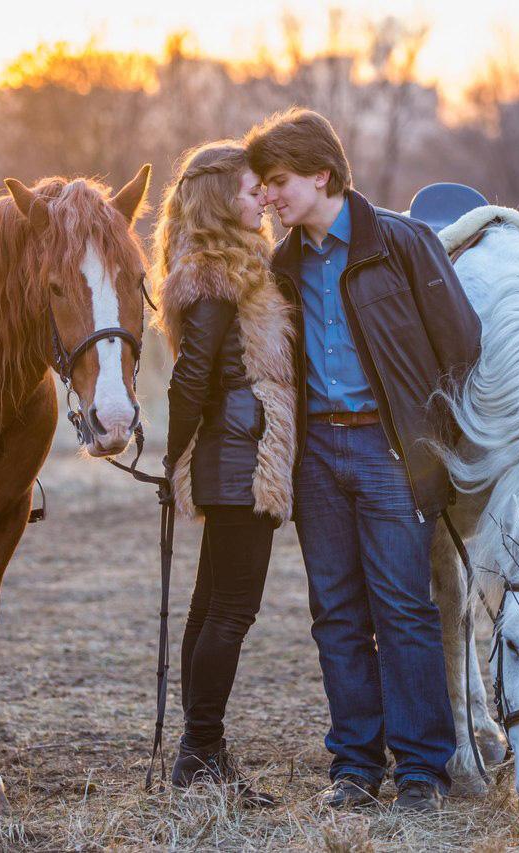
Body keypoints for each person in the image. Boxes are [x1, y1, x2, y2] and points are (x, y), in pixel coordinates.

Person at [244, 108, 482, 813]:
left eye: (278, 181)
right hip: (317, 454)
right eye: (261, 185)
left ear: (323, 175)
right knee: (337, 613)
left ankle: (421, 774)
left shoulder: (402, 244)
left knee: (404, 607)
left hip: (388, 449)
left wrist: (422, 435)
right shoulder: (282, 265)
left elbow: (462, 342)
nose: (268, 197)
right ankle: (353, 769)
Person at [152, 140, 297, 807]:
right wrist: (170, 454)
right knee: (231, 609)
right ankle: (200, 751)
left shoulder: (225, 265)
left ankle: (199, 751)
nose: (260, 199)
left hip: (233, 451)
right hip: (246, 457)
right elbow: (193, 376)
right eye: (248, 190)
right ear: (218, 200)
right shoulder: (216, 272)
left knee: (212, 606)